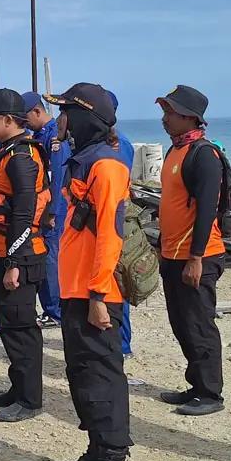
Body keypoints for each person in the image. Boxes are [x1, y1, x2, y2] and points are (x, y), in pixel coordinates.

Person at [45, 83, 132, 461]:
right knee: (82, 376)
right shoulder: (81, 160)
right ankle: (96, 454)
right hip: (76, 288)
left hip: (98, 293)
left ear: (85, 117)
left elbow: (111, 237)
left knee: (102, 379)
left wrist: (99, 293)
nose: (60, 119)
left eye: (66, 112)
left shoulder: (107, 166)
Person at [0, 88, 50, 422]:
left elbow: (23, 211)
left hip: (21, 255)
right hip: (1, 250)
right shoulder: (7, 151)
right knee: (9, 324)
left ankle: (30, 400)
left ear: (7, 120)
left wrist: (14, 263)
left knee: (21, 328)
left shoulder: (21, 158)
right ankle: (17, 389)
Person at [153, 85, 226, 417]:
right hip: (172, 253)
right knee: (181, 323)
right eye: (165, 112)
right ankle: (196, 384)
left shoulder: (203, 155)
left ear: (189, 117)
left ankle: (211, 392)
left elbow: (207, 210)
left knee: (199, 323)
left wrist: (196, 258)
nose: (165, 119)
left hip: (198, 255)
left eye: (171, 113)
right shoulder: (174, 151)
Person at [22, 92, 65, 330]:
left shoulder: (53, 138)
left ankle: (54, 311)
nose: (24, 123)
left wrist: (52, 212)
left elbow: (57, 179)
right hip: (41, 208)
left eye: (26, 117)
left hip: (52, 211)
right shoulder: (39, 136)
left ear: (37, 112)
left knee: (50, 259)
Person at [107, 92, 136, 358]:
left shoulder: (119, 145)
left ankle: (122, 345)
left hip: (115, 224)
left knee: (116, 284)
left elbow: (119, 189)